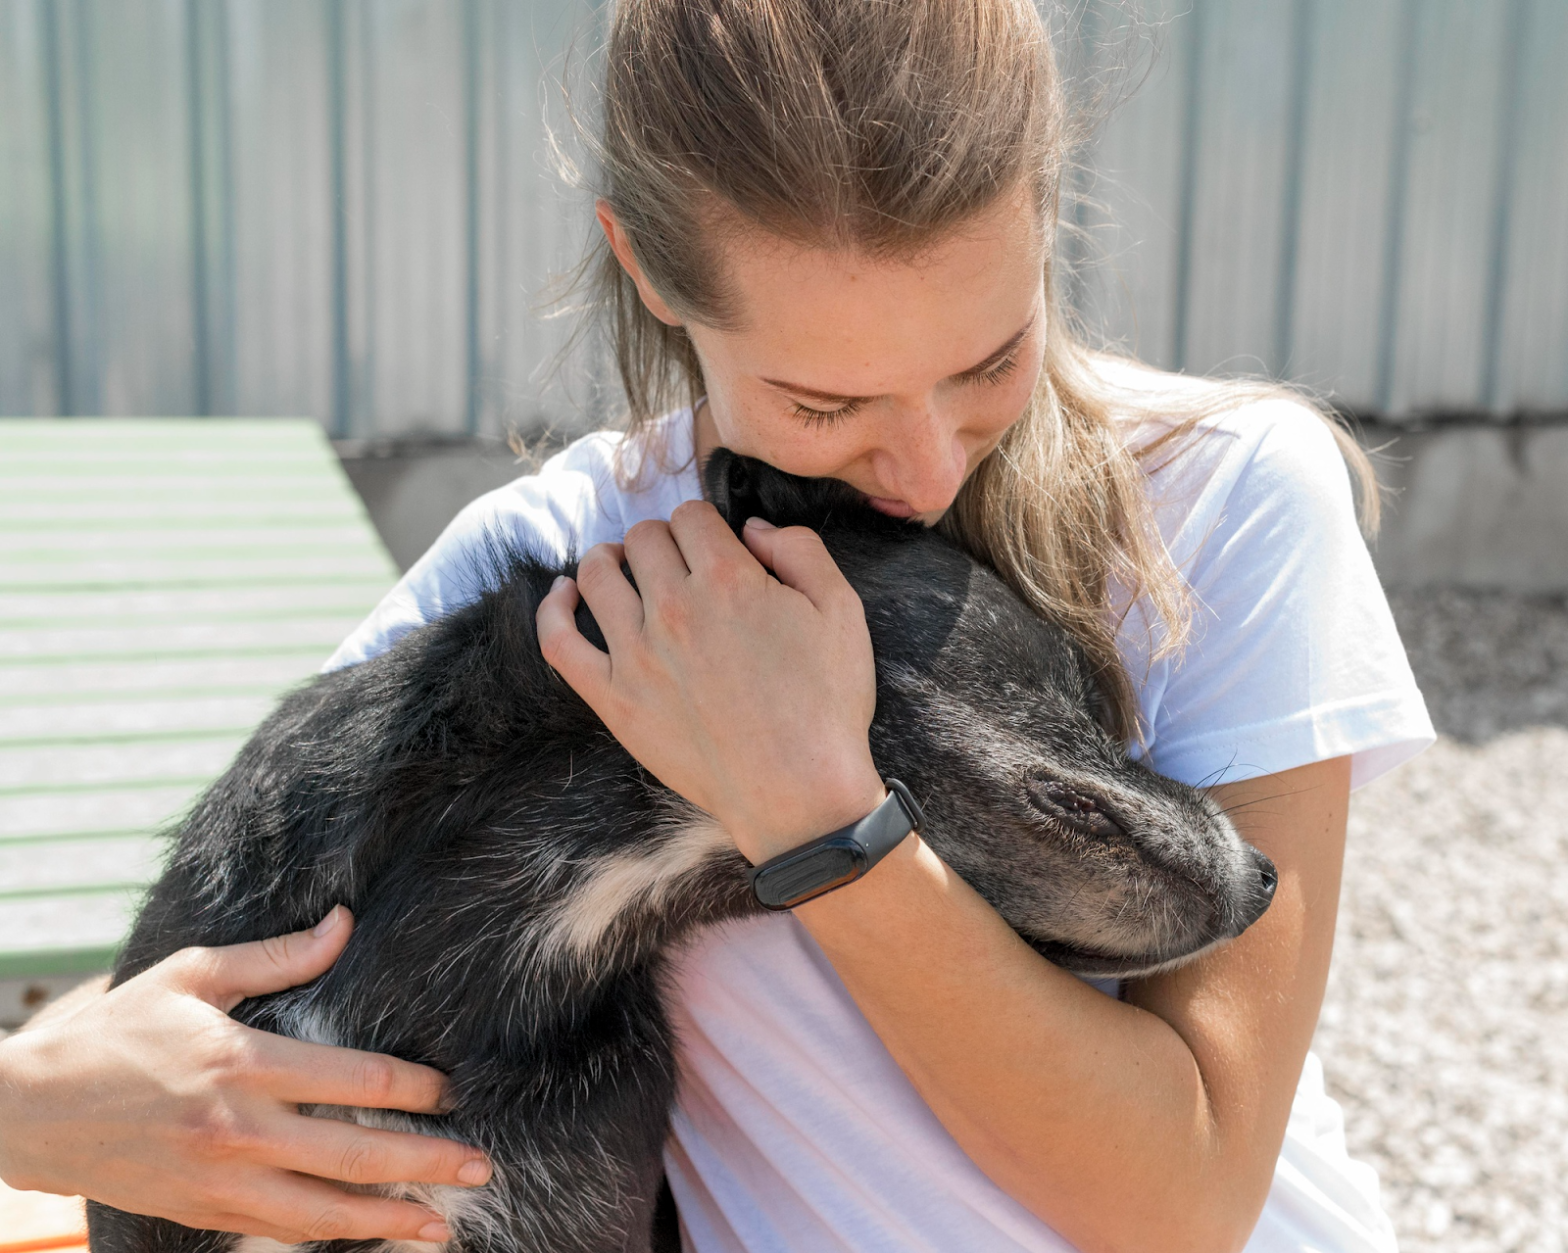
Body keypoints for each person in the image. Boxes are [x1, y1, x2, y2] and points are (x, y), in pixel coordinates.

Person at [0, 1, 1434, 1249]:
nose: (931, 464)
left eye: (988, 361)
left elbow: (1181, 1205)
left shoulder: (1228, 496)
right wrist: (36, 1107)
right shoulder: (572, 569)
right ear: (651, 269)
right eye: (827, 405)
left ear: (1046, 203)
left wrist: (814, 811)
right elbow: (226, 949)